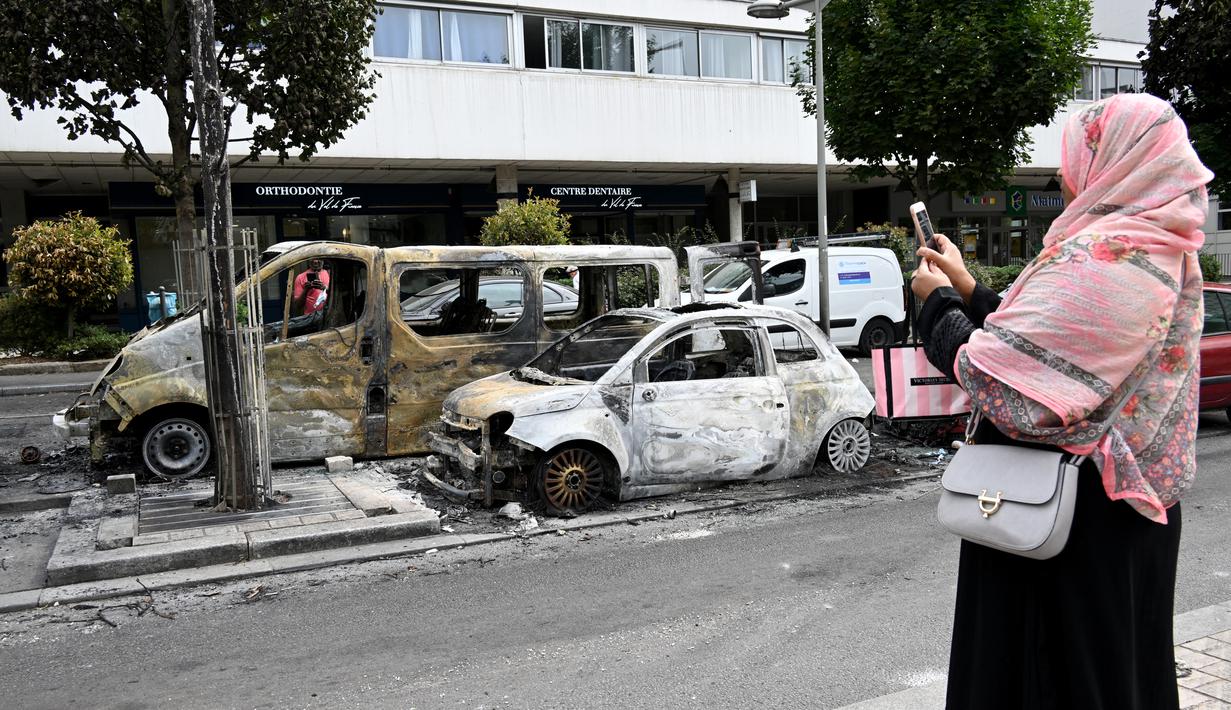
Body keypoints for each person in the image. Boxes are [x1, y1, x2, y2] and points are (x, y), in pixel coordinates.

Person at [911, 93, 1212, 709]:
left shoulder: (1110, 258)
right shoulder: (1159, 247)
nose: (1067, 175)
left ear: (1118, 160)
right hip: (1118, 512)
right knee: (1118, 671)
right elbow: (1053, 351)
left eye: (1080, 157)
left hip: (1066, 520)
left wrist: (936, 306)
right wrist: (968, 288)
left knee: (1048, 677)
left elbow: (1008, 383)